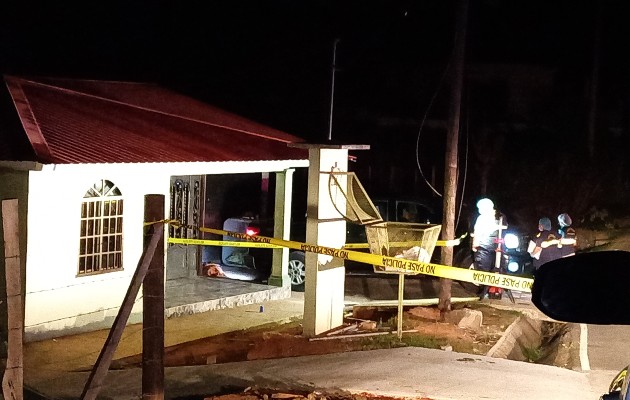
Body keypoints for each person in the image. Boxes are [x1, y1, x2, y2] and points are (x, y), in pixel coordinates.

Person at [471, 198, 506, 299]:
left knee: (496, 269)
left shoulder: (499, 217)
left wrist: (475, 244)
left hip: (495, 248)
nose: (479, 210)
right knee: (483, 269)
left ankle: (493, 291)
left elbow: (504, 227)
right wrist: (475, 245)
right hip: (484, 248)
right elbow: (477, 231)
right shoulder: (481, 218)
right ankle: (485, 291)